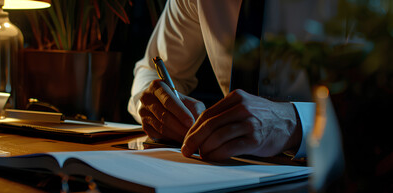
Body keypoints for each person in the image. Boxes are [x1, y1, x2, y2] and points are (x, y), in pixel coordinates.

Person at [128, 0, 336, 161]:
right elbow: (151, 69)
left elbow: (367, 113)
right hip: (223, 171)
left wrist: (295, 123)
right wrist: (159, 106)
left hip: (335, 178)